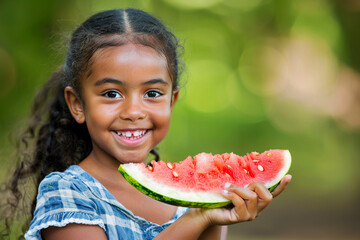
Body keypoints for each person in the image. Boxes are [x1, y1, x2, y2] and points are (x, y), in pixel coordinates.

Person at [3, 8, 291, 240]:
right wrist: (198, 218)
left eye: (152, 93)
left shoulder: (185, 203)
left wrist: (215, 211)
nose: (133, 111)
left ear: (171, 101)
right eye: (111, 94)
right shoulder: (67, 193)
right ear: (78, 104)